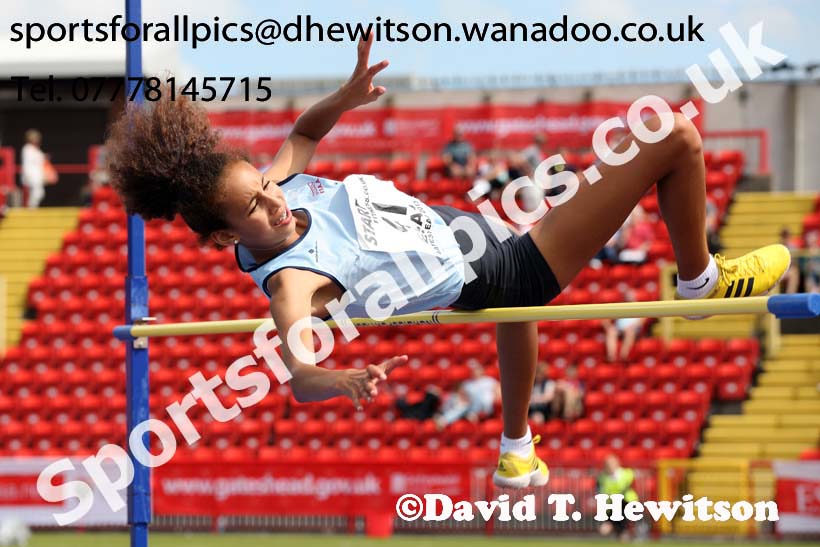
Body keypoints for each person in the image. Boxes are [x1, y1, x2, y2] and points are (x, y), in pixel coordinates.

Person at [106, 34, 791, 490]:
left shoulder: (283, 189)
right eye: (254, 209)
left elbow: (304, 134)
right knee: (672, 135)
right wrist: (338, 378)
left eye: (266, 185)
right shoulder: (294, 281)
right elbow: (299, 376)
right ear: (226, 238)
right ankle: (699, 278)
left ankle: (516, 446)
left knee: (519, 317)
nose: (274, 202)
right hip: (510, 264)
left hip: (482, 228)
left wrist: (344, 96)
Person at [433, 362, 500, 429]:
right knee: (459, 401)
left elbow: (498, 391)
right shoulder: (468, 383)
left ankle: (443, 419)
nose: (476, 372)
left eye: (478, 370)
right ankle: (444, 416)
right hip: (468, 404)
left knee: (466, 402)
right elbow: (460, 393)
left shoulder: (488, 380)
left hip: (483, 404)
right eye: (474, 370)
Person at [597, 454, 640, 542]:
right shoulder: (602, 478)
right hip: (612, 505)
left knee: (616, 519)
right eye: (608, 464)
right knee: (605, 529)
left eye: (611, 464)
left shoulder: (627, 473)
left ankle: (622, 532)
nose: (610, 466)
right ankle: (621, 533)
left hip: (628, 502)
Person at [20, 129, 47, 208]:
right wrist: (27, 175)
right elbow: (27, 163)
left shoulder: (35, 149)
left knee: (39, 193)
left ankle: (32, 207)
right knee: (38, 193)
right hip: (31, 175)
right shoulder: (27, 149)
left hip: (37, 175)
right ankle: (31, 208)